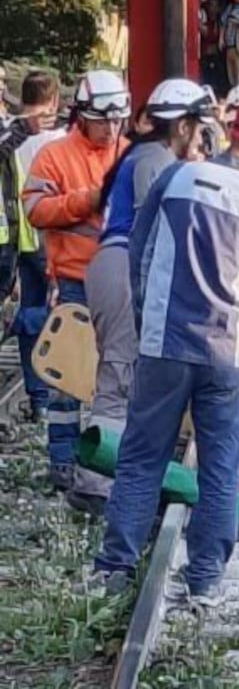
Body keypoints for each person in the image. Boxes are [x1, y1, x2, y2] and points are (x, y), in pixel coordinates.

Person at [92, 98, 239, 601]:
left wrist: (150, 314)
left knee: (141, 458)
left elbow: (138, 248)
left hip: (164, 344)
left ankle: (114, 566)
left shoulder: (177, 178)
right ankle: (204, 579)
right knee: (220, 470)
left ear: (233, 135)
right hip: (230, 353)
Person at [87, 79, 216, 444]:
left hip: (118, 263)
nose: (203, 137)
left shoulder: (143, 154)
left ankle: (114, 474)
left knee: (125, 370)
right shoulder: (155, 160)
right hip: (123, 264)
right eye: (200, 127)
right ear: (183, 125)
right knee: (120, 373)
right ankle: (97, 480)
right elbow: (156, 230)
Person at [24, 70, 131, 492]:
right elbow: (36, 210)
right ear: (82, 116)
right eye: (103, 120)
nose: (111, 128)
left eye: (117, 120)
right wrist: (85, 200)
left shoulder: (129, 153)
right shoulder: (55, 156)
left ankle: (111, 458)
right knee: (67, 379)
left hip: (122, 285)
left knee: (118, 376)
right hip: (75, 282)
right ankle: (63, 461)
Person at [0, 71, 61, 423]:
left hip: (18, 236)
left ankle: (38, 396)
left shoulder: (12, 131)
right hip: (45, 237)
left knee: (34, 309)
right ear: (53, 101)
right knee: (66, 307)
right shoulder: (58, 138)